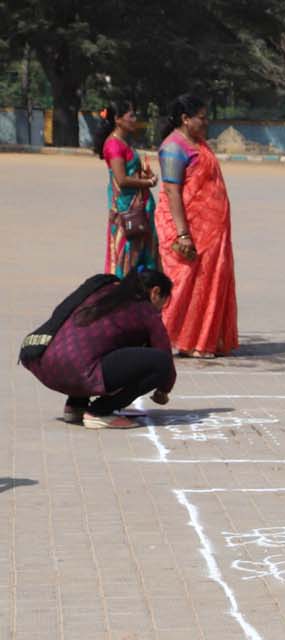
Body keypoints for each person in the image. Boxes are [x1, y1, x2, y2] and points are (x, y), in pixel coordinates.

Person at [19, 270, 177, 429]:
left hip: (45, 362)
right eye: (162, 304)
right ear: (155, 292)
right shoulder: (146, 310)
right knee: (160, 362)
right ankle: (99, 412)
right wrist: (164, 389)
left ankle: (76, 406)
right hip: (79, 372)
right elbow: (165, 357)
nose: (160, 310)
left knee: (93, 345)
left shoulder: (102, 288)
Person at [154, 94, 238, 358]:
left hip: (212, 232)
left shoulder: (199, 144)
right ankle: (169, 337)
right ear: (185, 119)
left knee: (209, 282)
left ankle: (203, 340)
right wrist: (183, 233)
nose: (206, 123)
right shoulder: (173, 147)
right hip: (185, 228)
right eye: (201, 118)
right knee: (182, 281)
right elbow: (171, 190)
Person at [97, 103, 158, 277]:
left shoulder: (124, 142)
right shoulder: (114, 145)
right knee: (127, 257)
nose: (134, 120)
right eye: (130, 116)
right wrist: (149, 183)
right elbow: (122, 180)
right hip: (127, 210)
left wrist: (145, 176)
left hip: (139, 206)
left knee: (143, 257)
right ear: (117, 120)